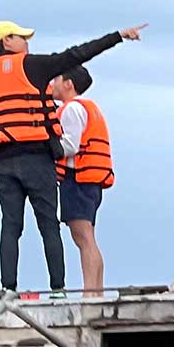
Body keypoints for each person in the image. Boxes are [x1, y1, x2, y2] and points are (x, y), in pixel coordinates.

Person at [0, 19, 146, 292]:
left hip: (2, 160)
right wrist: (118, 36)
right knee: (48, 225)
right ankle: (57, 290)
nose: (27, 42)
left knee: (10, 226)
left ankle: (8, 289)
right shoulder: (31, 66)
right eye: (21, 37)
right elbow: (77, 54)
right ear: (7, 41)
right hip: (37, 158)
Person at [49, 66, 114, 292]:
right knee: (88, 237)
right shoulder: (88, 108)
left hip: (77, 178)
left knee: (83, 237)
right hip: (90, 179)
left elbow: (70, 145)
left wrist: (47, 147)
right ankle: (96, 290)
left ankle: (91, 292)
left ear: (68, 84)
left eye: (56, 78)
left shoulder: (71, 109)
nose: (52, 83)